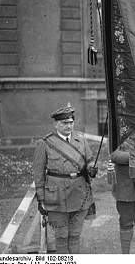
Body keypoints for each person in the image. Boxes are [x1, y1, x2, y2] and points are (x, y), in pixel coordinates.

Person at [33, 103, 98, 253]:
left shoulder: (81, 139)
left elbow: (89, 159)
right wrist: (41, 199)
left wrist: (91, 168)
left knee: (75, 235)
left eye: (71, 122)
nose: (69, 126)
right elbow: (38, 173)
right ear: (56, 124)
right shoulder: (45, 143)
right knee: (61, 236)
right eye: (64, 123)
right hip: (57, 197)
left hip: (80, 194)